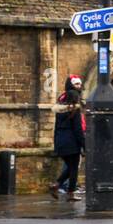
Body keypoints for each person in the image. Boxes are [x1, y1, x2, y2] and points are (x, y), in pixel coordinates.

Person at [50, 74, 85, 202]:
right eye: (77, 84)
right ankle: (70, 193)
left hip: (61, 142)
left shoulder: (60, 112)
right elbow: (78, 130)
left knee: (71, 167)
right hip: (72, 143)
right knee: (74, 167)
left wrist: (55, 144)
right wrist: (84, 145)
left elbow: (56, 129)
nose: (79, 87)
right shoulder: (74, 111)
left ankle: (56, 185)